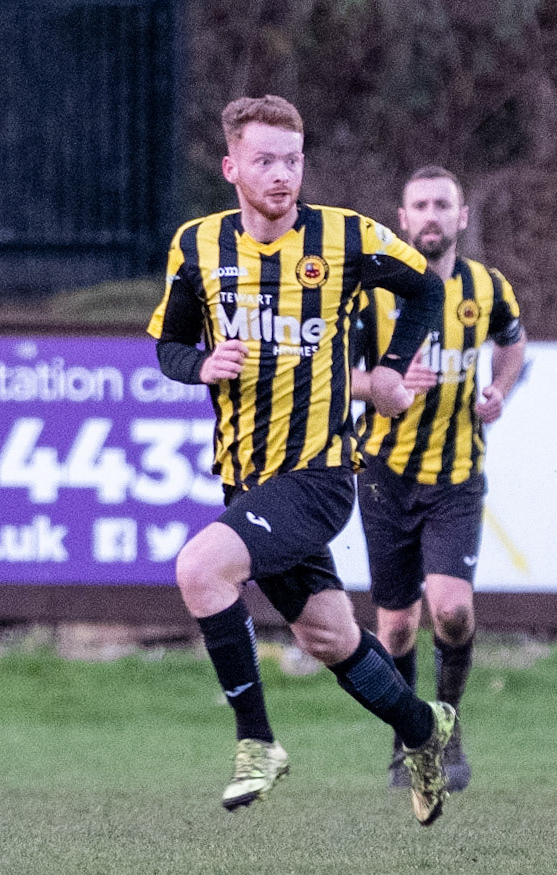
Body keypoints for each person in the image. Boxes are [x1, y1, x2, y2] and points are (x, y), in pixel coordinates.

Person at [148, 95, 455, 826]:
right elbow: (169, 346)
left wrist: (389, 371)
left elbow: (424, 288)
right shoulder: (197, 245)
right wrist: (201, 365)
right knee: (330, 637)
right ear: (231, 168)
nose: (282, 174)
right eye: (264, 160)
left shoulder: (344, 235)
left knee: (200, 569)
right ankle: (423, 728)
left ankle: (257, 742)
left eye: (292, 160)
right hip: (245, 478)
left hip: (318, 474)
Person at [351, 165, 526, 790]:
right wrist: (383, 383)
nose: (431, 215)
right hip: (384, 475)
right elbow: (335, 375)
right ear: (402, 219)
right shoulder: (373, 292)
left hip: (456, 478)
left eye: (442, 204)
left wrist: (500, 389)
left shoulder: (487, 286)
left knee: (451, 611)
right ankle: (409, 741)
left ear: (461, 217)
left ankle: (446, 733)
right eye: (420, 205)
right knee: (396, 625)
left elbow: (513, 342)